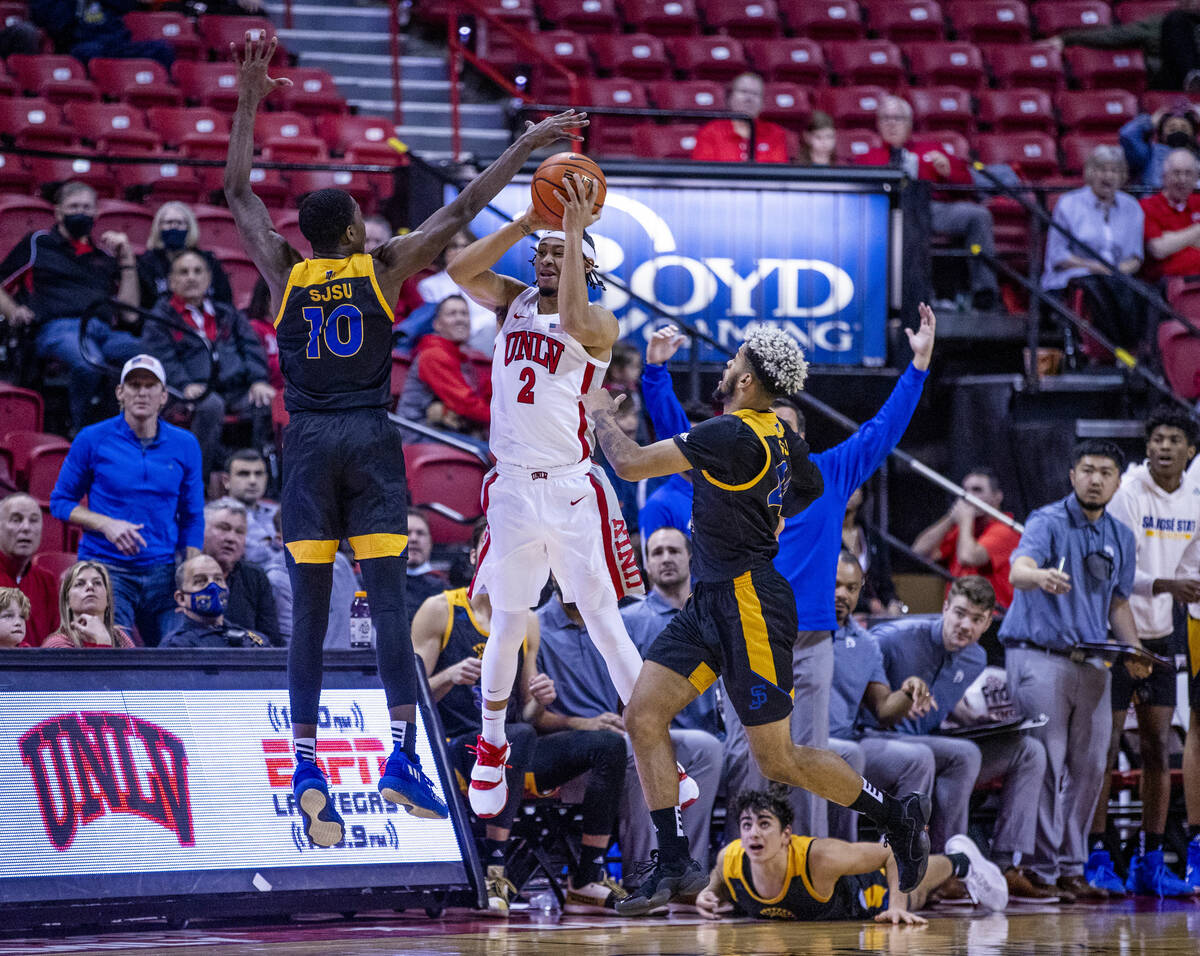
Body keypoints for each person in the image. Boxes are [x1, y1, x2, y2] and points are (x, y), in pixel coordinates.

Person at [223, 33, 586, 845]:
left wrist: (249, 97)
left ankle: (308, 762)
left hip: (307, 444)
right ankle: (398, 756)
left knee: (310, 615)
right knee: (387, 606)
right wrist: (525, 146)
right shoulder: (381, 267)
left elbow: (236, 190)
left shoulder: (285, 271)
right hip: (369, 438)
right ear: (352, 232)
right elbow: (459, 213)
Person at [583, 323, 931, 915]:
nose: (723, 366)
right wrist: (757, 511)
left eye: (732, 359)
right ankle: (674, 859)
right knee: (643, 715)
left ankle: (895, 817)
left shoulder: (731, 432)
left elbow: (634, 462)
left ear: (745, 378)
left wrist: (596, 411)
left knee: (778, 759)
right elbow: (808, 487)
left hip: (750, 603)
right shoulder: (781, 438)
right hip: (710, 599)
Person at [446, 175, 678, 822]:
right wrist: (527, 221)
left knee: (604, 622)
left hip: (573, 487)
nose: (547, 260)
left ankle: (653, 746)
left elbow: (574, 318)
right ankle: (492, 747)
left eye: (560, 254)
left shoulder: (599, 321)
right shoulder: (511, 303)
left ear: (585, 262)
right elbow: (460, 268)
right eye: (540, 254)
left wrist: (572, 232)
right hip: (515, 485)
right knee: (510, 619)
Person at [413, 523, 629, 916]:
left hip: (515, 748)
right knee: (517, 734)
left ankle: (586, 877)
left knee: (609, 745)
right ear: (477, 554)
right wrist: (447, 676)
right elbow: (408, 700)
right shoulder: (440, 610)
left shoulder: (526, 621)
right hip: (454, 750)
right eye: (491, 544)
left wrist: (543, 702)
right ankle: (495, 868)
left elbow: (532, 715)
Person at [999, 439, 1150, 902]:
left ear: (1117, 482)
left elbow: (1119, 603)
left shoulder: (1121, 537)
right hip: (1039, 657)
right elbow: (1017, 569)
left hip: (1095, 662)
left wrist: (1137, 648)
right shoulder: (1047, 521)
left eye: (1106, 472)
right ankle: (1040, 869)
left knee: (1090, 766)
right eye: (1087, 469)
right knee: (1045, 762)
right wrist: (1038, 576)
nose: (1095, 479)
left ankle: (1071, 865)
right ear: (1072, 475)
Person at [866, 577, 1050, 902]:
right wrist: (891, 701)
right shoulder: (895, 639)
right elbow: (860, 671)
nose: (965, 625)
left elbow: (940, 707)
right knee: (963, 754)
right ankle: (944, 866)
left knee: (1030, 750)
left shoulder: (975, 658)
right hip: (881, 741)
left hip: (932, 745)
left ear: (987, 622)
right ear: (945, 607)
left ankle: (1007, 865)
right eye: (960, 614)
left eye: (977, 619)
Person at [533, 583, 709, 910]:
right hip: (568, 748)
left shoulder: (614, 621)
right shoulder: (535, 627)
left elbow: (631, 694)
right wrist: (583, 723)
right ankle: (643, 876)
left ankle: (686, 866)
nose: (573, 575)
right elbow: (529, 716)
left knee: (705, 748)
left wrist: (628, 719)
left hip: (616, 732)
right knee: (628, 751)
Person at [1089, 406, 1200, 897]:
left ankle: (1150, 860)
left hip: (1161, 634)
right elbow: (1114, 572)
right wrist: (1167, 583)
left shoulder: (1195, 500)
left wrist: (1181, 589)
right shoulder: (1128, 493)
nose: (1164, 447)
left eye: (1174, 439)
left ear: (1190, 451)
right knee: (1105, 749)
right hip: (1116, 632)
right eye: (1156, 438)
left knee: (1158, 747)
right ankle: (1096, 856)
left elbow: (1192, 570)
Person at [49, 354, 204, 647]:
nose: (142, 392)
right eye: (133, 385)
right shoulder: (92, 439)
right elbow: (60, 502)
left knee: (177, 655)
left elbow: (193, 515)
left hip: (164, 570)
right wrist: (106, 524)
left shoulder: (186, 444)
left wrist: (191, 569)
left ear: (163, 396)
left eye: (150, 385)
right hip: (107, 568)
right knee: (111, 653)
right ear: (120, 393)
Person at [695, 788, 1007, 923]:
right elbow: (718, 879)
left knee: (917, 891)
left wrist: (897, 908)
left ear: (786, 834)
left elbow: (892, 854)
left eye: (764, 824)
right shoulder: (730, 857)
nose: (754, 834)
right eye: (747, 825)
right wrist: (709, 894)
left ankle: (961, 861)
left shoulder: (819, 857)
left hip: (865, 892)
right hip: (834, 913)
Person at [617, 528, 725, 869]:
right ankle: (680, 868)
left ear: (691, 558)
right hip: (660, 732)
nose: (665, 558)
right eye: (657, 552)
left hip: (714, 730)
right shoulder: (629, 620)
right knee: (706, 748)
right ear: (646, 565)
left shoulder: (711, 614)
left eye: (673, 551)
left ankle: (737, 873)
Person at [0, 181, 142, 430]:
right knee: (89, 361)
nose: (81, 212)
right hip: (57, 329)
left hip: (103, 330)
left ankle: (130, 428)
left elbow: (129, 314)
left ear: (97, 213)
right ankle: (81, 430)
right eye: (74, 206)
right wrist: (13, 310)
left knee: (143, 356)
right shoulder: (38, 243)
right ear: (58, 212)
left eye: (87, 207)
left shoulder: (105, 255)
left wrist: (127, 260)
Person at [825, 551, 936, 850]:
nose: (841, 594)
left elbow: (883, 710)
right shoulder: (793, 630)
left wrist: (908, 691)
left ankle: (899, 858)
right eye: (834, 584)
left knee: (919, 759)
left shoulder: (865, 643)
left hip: (845, 742)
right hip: (799, 744)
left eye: (851, 588)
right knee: (849, 756)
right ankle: (843, 859)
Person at [854, 96, 998, 311]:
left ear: (910, 124)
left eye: (898, 118)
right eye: (886, 119)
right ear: (878, 124)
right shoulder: (866, 159)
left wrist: (948, 172)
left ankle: (985, 292)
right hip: (884, 215)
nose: (892, 124)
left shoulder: (931, 150)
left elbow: (967, 183)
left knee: (978, 215)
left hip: (931, 210)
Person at [142, 251, 275, 476]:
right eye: (184, 272)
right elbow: (161, 358)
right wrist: (184, 385)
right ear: (172, 281)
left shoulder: (227, 313)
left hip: (235, 387)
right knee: (211, 405)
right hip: (187, 391)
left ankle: (261, 481)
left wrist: (258, 380)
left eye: (197, 271)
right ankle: (197, 481)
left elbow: (251, 348)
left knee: (266, 402)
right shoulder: (160, 319)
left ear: (208, 279)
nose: (191, 277)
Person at [1041, 145, 1145, 359]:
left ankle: (1134, 352)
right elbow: (1058, 256)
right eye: (1102, 170)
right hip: (1075, 275)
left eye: (1114, 171)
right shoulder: (1069, 204)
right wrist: (1096, 268)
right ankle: (1115, 352)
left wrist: (1113, 272)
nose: (1108, 176)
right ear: (1090, 173)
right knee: (1098, 286)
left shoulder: (1132, 207)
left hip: (1118, 278)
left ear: (1122, 176)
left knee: (1145, 292)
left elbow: (1135, 258)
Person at [912, 467, 1022, 610]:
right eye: (965, 490)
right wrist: (950, 519)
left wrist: (964, 519)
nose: (967, 496)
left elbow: (968, 558)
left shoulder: (1005, 531)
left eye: (977, 490)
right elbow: (918, 551)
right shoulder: (963, 529)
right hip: (958, 617)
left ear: (997, 497)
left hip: (991, 618)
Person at [396, 294, 492, 435]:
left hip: (444, 433)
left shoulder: (463, 357)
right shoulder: (434, 354)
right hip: (421, 435)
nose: (460, 319)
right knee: (490, 454)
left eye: (464, 313)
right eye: (452, 314)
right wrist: (504, 422)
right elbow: (465, 404)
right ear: (437, 324)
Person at [264, 509, 357, 647]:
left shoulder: (341, 563)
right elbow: (292, 646)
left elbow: (364, 622)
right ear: (280, 540)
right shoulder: (277, 580)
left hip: (359, 663)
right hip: (318, 666)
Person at [201, 497, 281, 646]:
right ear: (201, 529)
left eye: (239, 532)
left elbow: (271, 639)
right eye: (223, 528)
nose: (231, 538)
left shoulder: (255, 577)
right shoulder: (183, 573)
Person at [137, 201, 234, 309]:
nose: (174, 227)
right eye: (168, 223)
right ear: (158, 227)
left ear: (189, 227)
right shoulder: (146, 263)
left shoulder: (208, 261)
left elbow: (225, 302)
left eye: (179, 223)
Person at [160, 554, 268, 648]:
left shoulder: (253, 639)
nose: (213, 587)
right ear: (181, 598)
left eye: (218, 579)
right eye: (200, 581)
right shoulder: (176, 645)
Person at [416, 229, 498, 354]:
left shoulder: (487, 284)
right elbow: (437, 320)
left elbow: (494, 316)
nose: (460, 251)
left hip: (483, 340)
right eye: (454, 247)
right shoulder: (428, 285)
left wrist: (467, 330)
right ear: (445, 253)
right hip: (445, 342)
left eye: (465, 246)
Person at [32, 0, 174, 68]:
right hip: (83, 44)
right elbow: (50, 21)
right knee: (86, 51)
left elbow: (135, 4)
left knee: (162, 49)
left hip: (119, 45)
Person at [691, 72, 790, 164]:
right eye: (744, 91)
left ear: (763, 103)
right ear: (730, 98)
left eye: (755, 94)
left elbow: (776, 174)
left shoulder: (775, 134)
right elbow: (704, 174)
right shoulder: (710, 132)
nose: (749, 99)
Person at [0, 493, 59, 646]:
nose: (26, 528)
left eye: (33, 521)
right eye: (16, 519)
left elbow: (56, 641)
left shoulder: (47, 581)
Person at [41, 560, 136, 648]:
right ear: (67, 601)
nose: (90, 587)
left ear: (107, 599)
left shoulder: (120, 637)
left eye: (97, 583)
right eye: (80, 584)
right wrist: (103, 641)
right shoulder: (56, 644)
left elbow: (136, 666)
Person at [842, 485, 903, 616]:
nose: (849, 492)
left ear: (863, 494)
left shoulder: (873, 537)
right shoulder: (824, 537)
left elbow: (885, 583)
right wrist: (867, 605)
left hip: (875, 618)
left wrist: (892, 602)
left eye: (855, 486)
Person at [1141, 148, 1200, 282]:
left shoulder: (1198, 202)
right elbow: (1159, 249)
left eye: (1188, 173)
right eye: (1176, 173)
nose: (1182, 179)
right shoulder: (1147, 206)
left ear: (1196, 178)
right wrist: (1197, 230)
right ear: (1164, 176)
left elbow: (1167, 245)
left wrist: (1173, 239)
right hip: (1170, 284)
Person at [1121, 105, 1200, 190]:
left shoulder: (1197, 154)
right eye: (1172, 129)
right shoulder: (1149, 153)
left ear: (1192, 134)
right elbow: (1127, 135)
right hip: (1153, 200)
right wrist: (1149, 122)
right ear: (1161, 134)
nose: (1178, 132)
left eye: (1184, 128)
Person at [223, 448, 277, 567]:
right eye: (244, 474)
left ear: (266, 479)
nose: (253, 481)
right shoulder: (214, 516)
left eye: (258, 474)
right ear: (226, 480)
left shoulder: (279, 512)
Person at [403, 509, 447, 621]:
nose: (413, 539)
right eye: (406, 532)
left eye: (420, 533)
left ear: (431, 542)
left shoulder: (446, 590)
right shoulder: (374, 585)